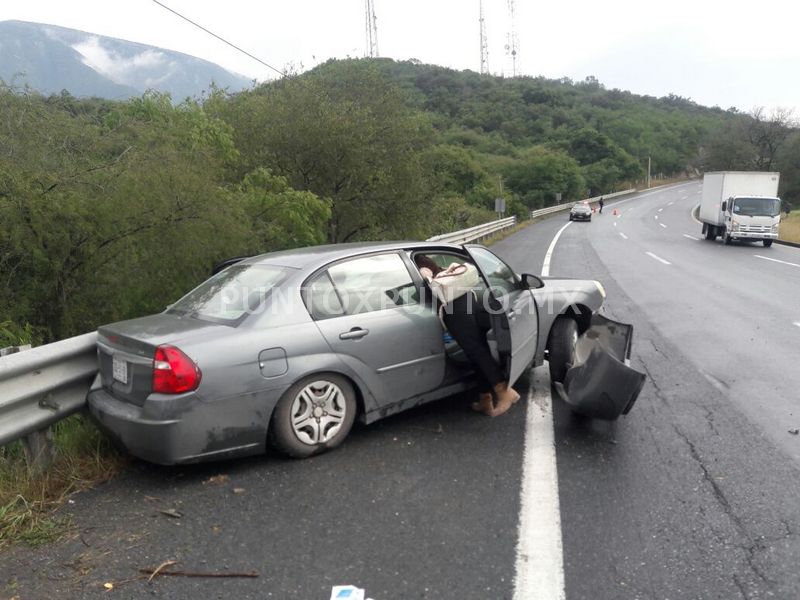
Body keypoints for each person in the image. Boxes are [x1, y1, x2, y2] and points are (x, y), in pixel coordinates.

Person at [414, 255, 520, 417]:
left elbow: (426, 276)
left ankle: (505, 392)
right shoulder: (423, 258)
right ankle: (485, 399)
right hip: (464, 298)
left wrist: (425, 280)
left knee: (475, 350)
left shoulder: (419, 262)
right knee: (476, 349)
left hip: (454, 307)